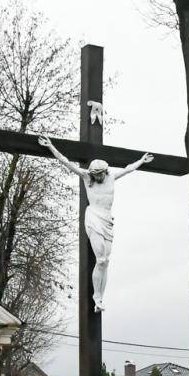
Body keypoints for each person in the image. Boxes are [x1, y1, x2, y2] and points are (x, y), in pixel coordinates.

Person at [36, 134, 153, 312]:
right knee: (101, 258)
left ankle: (100, 297)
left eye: (100, 175)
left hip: (107, 220)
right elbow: (66, 162)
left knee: (105, 262)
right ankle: (96, 298)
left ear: (104, 172)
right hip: (93, 218)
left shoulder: (111, 177)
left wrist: (141, 161)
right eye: (95, 175)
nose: (97, 178)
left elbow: (128, 169)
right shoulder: (86, 177)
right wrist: (50, 146)